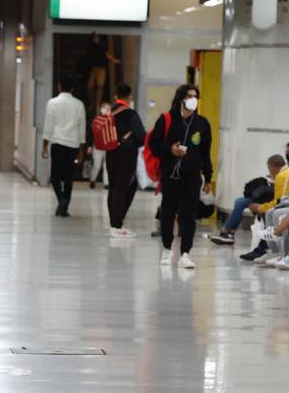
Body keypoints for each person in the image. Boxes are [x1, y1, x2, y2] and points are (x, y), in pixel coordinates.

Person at [148, 83, 213, 269]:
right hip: (170, 176)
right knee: (167, 214)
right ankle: (167, 249)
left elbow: (205, 153)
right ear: (181, 99)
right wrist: (170, 150)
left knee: (189, 216)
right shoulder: (166, 119)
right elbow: (154, 144)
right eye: (189, 96)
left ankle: (185, 253)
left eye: (195, 96)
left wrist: (208, 178)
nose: (193, 100)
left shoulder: (202, 124)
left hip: (192, 177)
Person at [210, 155, 289, 245]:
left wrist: (261, 207)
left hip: (270, 201)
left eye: (269, 168)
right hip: (267, 198)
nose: (269, 171)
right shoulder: (280, 174)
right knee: (240, 201)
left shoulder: (282, 176)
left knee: (242, 203)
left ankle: (226, 232)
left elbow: (278, 199)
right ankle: (228, 233)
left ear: (273, 166)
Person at [105, 84, 146, 238]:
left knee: (114, 187)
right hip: (127, 154)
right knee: (125, 187)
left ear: (116, 96)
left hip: (111, 152)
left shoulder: (110, 112)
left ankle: (114, 224)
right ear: (129, 96)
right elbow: (141, 136)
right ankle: (117, 225)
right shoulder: (130, 113)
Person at [42, 78, 87, 217]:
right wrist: (81, 150)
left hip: (57, 143)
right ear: (72, 88)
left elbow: (48, 125)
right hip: (73, 144)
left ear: (59, 86)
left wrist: (45, 146)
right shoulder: (79, 104)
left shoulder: (52, 103)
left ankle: (61, 199)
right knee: (69, 176)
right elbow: (82, 128)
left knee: (55, 175)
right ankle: (65, 205)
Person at [85, 32, 119, 114]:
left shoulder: (102, 46)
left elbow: (106, 54)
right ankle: (92, 104)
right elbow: (87, 55)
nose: (96, 39)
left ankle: (97, 104)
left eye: (97, 37)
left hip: (101, 68)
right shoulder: (91, 46)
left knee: (100, 87)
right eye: (95, 38)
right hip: (94, 68)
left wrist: (113, 60)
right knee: (90, 86)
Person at [88, 102, 111, 190]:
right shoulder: (96, 120)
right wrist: (90, 146)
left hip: (108, 146)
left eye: (109, 108)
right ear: (102, 109)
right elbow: (91, 134)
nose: (107, 110)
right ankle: (93, 180)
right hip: (97, 146)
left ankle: (106, 183)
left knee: (107, 165)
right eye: (106, 108)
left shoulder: (111, 120)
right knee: (97, 165)